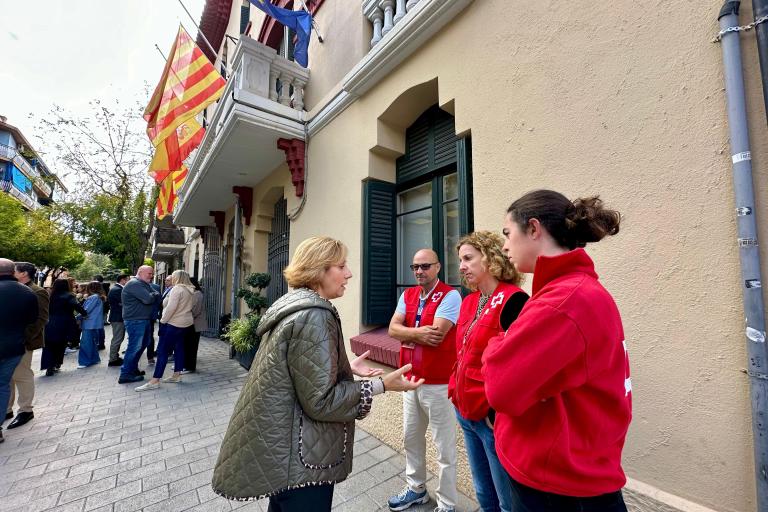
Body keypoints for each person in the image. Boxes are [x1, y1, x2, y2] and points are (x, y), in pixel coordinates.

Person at [212, 236, 423, 511]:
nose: (349, 273)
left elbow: (296, 369)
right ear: (318, 270)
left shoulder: (296, 306)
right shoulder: (315, 315)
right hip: (302, 459)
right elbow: (322, 401)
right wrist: (381, 384)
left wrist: (343, 366)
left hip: (287, 454)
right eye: (341, 266)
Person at [483, 190, 631, 512]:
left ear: (534, 229)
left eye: (508, 233)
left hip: (557, 485)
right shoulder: (573, 290)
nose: (505, 246)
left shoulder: (563, 301)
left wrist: (498, 342)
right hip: (570, 471)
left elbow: (499, 388)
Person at [447, 232, 528, 512]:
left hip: (491, 418)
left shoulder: (514, 300)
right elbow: (462, 354)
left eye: (468, 258)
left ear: (490, 258)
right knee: (483, 492)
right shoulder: (469, 301)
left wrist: (496, 413)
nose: (461, 266)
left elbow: (520, 368)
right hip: (465, 411)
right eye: (460, 260)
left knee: (507, 502)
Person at [387, 249, 461, 512]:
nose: (419, 271)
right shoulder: (407, 295)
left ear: (438, 267)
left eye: (425, 266)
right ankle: (416, 489)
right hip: (410, 381)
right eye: (415, 267)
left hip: (438, 384)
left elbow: (436, 336)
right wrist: (417, 333)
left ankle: (447, 503)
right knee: (411, 439)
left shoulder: (451, 295)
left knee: (444, 449)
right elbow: (392, 329)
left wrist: (406, 332)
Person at [135, 270, 196, 391]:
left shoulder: (177, 289)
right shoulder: (190, 290)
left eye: (173, 277)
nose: (171, 279)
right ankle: (177, 375)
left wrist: (163, 321)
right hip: (185, 323)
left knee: (162, 351)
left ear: (177, 277)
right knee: (179, 349)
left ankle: (155, 380)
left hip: (173, 323)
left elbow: (171, 308)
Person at [5, 262, 49, 429]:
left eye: (14, 271)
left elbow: (41, 318)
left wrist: (23, 337)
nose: (11, 273)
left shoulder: (37, 291)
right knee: (8, 377)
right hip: (9, 340)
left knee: (21, 375)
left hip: (23, 341)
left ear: (23, 273)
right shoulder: (13, 288)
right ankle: (7, 409)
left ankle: (25, 410)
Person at [0, 258, 38, 443]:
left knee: (13, 380)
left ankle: (24, 409)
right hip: (14, 346)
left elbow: (37, 321)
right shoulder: (27, 292)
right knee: (3, 385)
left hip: (17, 345)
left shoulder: (33, 291)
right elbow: (32, 319)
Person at [118, 266, 159, 384]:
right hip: (135, 320)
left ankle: (132, 370)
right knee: (134, 347)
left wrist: (153, 295)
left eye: (152, 273)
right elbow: (148, 299)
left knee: (142, 344)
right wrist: (153, 295)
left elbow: (156, 294)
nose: (151, 276)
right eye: (149, 273)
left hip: (142, 320)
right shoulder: (135, 284)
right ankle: (125, 374)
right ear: (140, 272)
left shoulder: (143, 283)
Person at [41, 278, 86, 375]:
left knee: (49, 345)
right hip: (64, 322)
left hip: (49, 322)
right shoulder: (69, 295)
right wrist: (84, 313)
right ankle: (57, 363)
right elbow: (77, 306)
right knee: (60, 344)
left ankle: (49, 366)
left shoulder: (50, 295)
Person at [77, 281, 104, 368]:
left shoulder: (93, 297)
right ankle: (94, 359)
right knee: (92, 342)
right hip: (94, 323)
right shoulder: (97, 297)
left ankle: (85, 362)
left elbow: (86, 310)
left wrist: (77, 317)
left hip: (89, 323)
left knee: (86, 343)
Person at [184, 277, 205, 373]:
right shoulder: (194, 293)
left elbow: (195, 311)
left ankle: (190, 367)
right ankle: (185, 365)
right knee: (188, 345)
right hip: (191, 323)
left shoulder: (197, 294)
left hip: (194, 324)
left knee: (191, 346)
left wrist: (186, 317)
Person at [107, 274, 129, 367]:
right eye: (128, 280)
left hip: (118, 317)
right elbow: (125, 303)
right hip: (117, 318)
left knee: (118, 338)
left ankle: (115, 357)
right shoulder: (118, 290)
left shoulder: (117, 289)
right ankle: (113, 360)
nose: (129, 282)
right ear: (122, 280)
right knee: (117, 339)